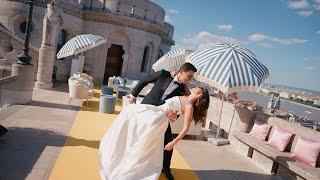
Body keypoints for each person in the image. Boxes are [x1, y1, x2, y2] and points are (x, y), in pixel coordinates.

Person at [99, 87, 210, 180]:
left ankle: (129, 170)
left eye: (198, 89)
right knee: (130, 116)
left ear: (199, 96)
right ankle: (121, 160)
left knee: (142, 144)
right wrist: (172, 116)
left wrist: (173, 143)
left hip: (158, 119)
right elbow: (173, 115)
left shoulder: (189, 106)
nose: (196, 87)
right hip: (156, 111)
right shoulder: (186, 95)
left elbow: (185, 129)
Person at [128, 63, 197, 180]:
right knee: (138, 137)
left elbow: (179, 111)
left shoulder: (182, 90)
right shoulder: (164, 74)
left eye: (192, 77)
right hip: (147, 111)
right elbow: (145, 80)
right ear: (182, 72)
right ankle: (133, 161)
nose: (190, 80)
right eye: (189, 76)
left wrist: (173, 118)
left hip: (162, 118)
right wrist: (133, 95)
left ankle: (166, 168)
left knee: (168, 140)